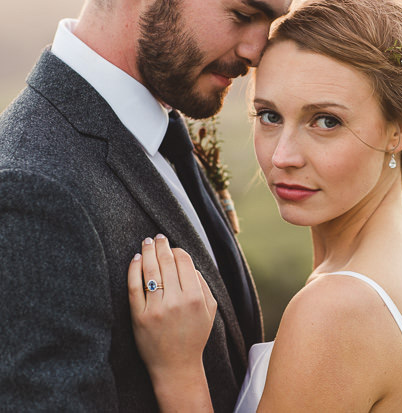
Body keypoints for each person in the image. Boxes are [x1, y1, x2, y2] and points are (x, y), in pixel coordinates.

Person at [126, 0, 402, 410]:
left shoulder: (336, 310)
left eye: (326, 121)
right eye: (269, 116)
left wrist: (178, 373)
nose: (282, 156)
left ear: (401, 129)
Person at [0, 0, 290, 411]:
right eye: (242, 15)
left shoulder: (160, 125)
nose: (256, 52)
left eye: (272, 22)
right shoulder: (32, 190)